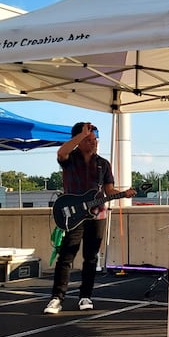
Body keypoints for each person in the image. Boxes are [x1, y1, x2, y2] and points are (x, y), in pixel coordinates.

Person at [44, 122, 136, 314]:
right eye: (89, 139)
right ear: (78, 140)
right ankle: (56, 298)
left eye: (95, 139)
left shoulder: (103, 163)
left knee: (91, 258)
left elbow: (109, 190)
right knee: (66, 256)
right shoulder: (70, 158)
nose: (94, 142)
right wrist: (80, 135)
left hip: (97, 215)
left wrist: (123, 194)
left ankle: (85, 296)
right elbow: (61, 152)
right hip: (73, 214)